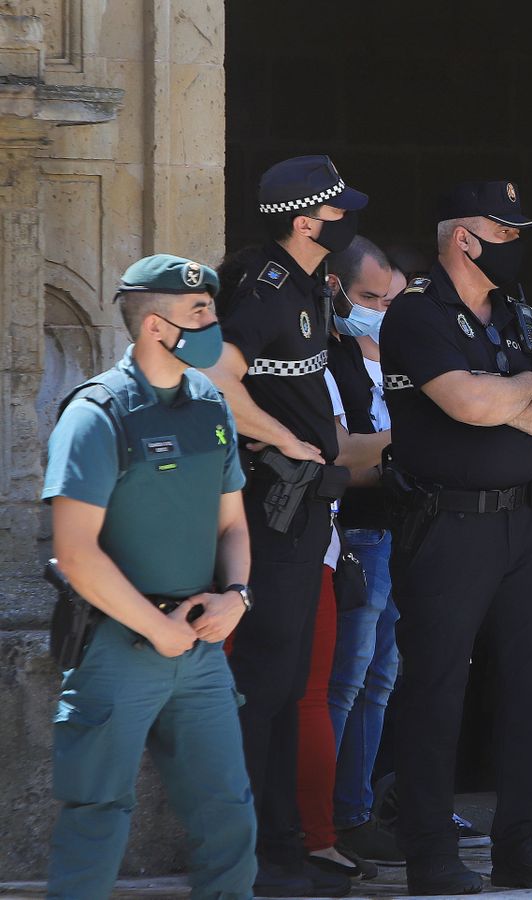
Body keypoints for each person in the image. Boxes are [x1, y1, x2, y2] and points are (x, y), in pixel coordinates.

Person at [380, 180, 532, 895]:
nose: (517, 246)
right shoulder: (414, 314)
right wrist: (520, 389)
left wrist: (510, 391)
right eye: (505, 233)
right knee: (436, 687)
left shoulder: (518, 313)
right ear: (464, 237)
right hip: (449, 525)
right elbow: (463, 403)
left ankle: (521, 845)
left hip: (524, 524)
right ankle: (430, 850)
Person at [44, 255, 255, 899]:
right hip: (118, 646)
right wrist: (156, 628)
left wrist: (237, 596)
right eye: (199, 312)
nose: (213, 323)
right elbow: (76, 554)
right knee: (96, 815)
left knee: (229, 817)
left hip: (200, 647)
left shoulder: (210, 405)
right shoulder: (96, 412)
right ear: (157, 325)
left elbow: (233, 527)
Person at [205, 154, 365, 898]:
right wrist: (284, 440)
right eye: (335, 211)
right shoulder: (270, 288)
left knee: (286, 679)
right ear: (306, 221)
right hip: (277, 512)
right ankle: (255, 856)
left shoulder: (302, 283)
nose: (344, 220)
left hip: (302, 513)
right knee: (266, 683)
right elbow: (215, 376)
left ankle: (283, 842)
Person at [322, 238, 407, 865]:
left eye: (391, 298)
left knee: (381, 679)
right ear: (337, 289)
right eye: (369, 297)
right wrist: (411, 446)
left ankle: (355, 808)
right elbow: (337, 456)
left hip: (401, 532)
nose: (380, 309)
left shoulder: (406, 352)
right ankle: (330, 816)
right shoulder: (329, 354)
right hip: (353, 534)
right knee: (346, 678)